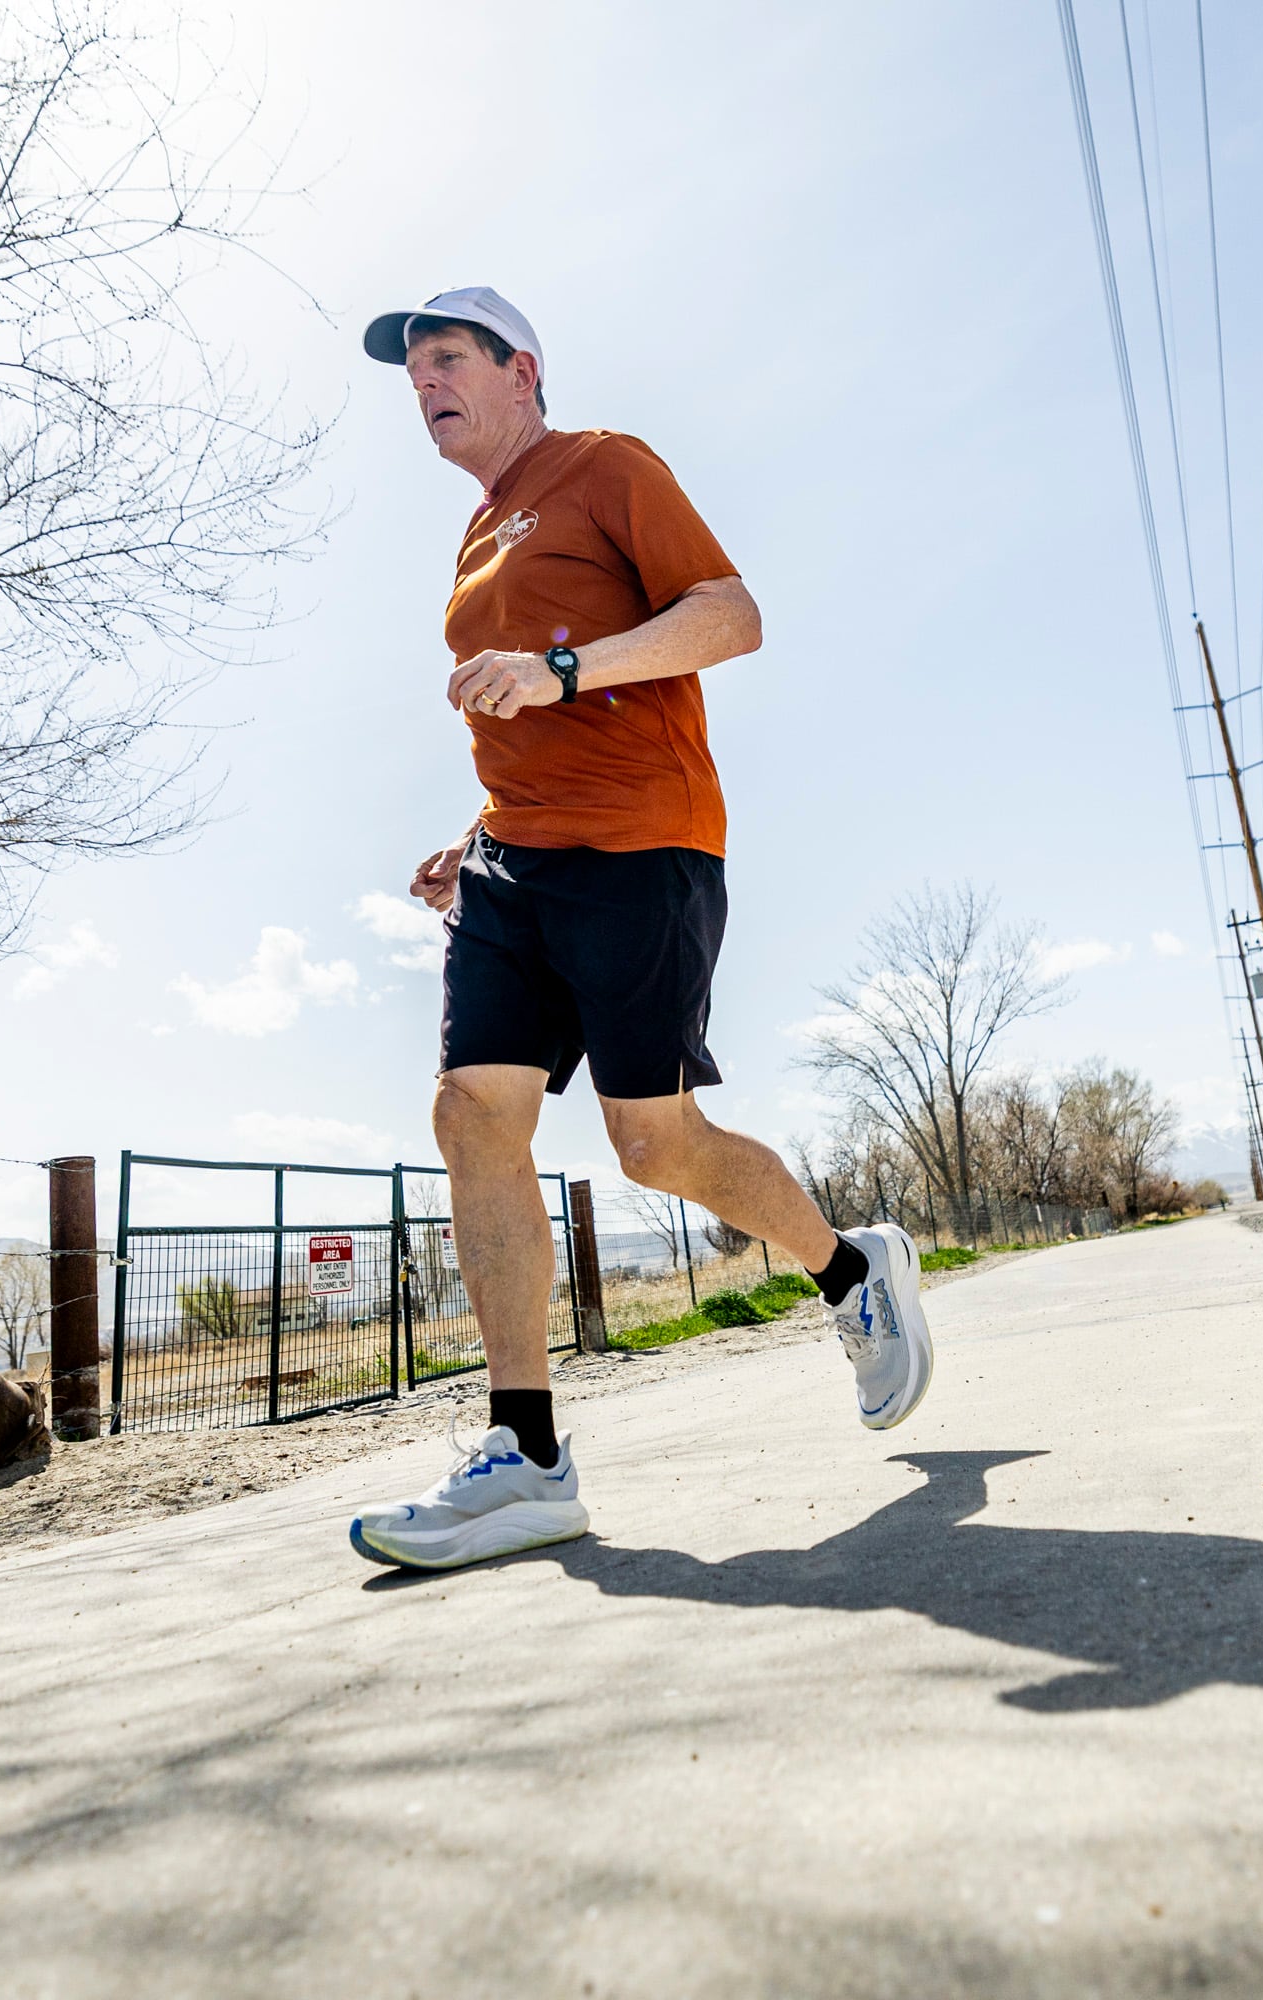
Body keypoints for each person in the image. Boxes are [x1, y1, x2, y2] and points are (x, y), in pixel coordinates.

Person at [344, 287, 932, 1572]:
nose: (425, 382)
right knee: (471, 1113)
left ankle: (850, 1269)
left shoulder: (605, 467)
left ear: (523, 371)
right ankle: (528, 1455)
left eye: (448, 358)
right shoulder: (476, 534)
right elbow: (522, 714)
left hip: (643, 847)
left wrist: (564, 668)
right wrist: (474, 830)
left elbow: (731, 615)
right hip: (515, 859)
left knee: (653, 1144)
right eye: (412, 370)